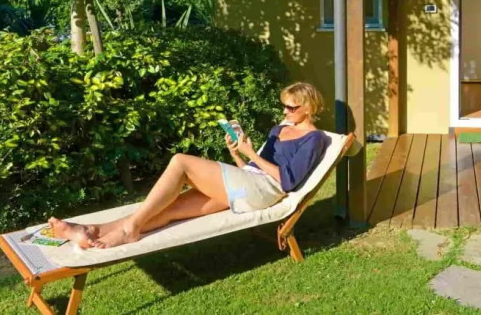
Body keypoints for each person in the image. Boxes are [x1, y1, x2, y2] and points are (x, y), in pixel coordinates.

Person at [48, 82, 328, 249]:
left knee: (180, 161)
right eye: (284, 106)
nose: (284, 111)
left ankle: (127, 230)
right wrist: (237, 154)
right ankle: (93, 231)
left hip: (262, 192)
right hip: (247, 183)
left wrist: (251, 153)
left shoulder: (314, 139)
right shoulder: (280, 129)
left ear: (309, 108)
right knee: (171, 208)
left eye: (291, 108)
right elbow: (254, 167)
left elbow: (287, 180)